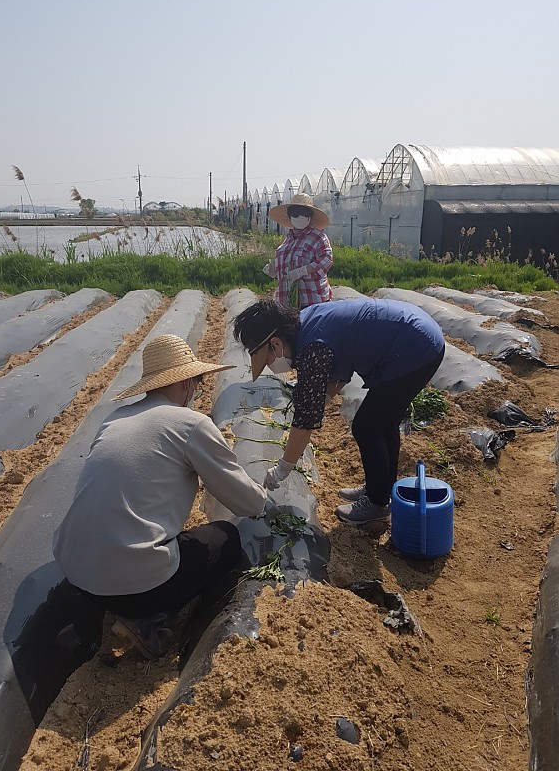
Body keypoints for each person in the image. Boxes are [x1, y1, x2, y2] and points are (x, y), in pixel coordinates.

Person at [53, 334, 268, 659]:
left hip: (75, 575)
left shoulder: (114, 420)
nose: (194, 391)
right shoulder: (190, 424)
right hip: (137, 588)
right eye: (195, 382)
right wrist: (267, 487)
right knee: (225, 538)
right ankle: (150, 618)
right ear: (185, 384)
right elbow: (249, 503)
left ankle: (118, 610)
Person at [233, 298, 445, 526]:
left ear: (275, 344)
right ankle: (381, 489)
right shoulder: (306, 325)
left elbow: (304, 424)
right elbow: (340, 363)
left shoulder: (313, 347)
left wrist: (282, 468)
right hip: (417, 335)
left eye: (265, 358)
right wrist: (320, 397)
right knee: (384, 422)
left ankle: (377, 503)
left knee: (367, 427)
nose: (268, 365)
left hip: (415, 349)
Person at [263, 193, 333, 309]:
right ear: (289, 216)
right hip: (287, 301)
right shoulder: (288, 240)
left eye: (304, 213)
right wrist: (275, 271)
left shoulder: (318, 237)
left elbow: (326, 260)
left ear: (310, 216)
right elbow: (287, 271)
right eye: (295, 213)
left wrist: (303, 271)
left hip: (311, 301)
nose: (299, 217)